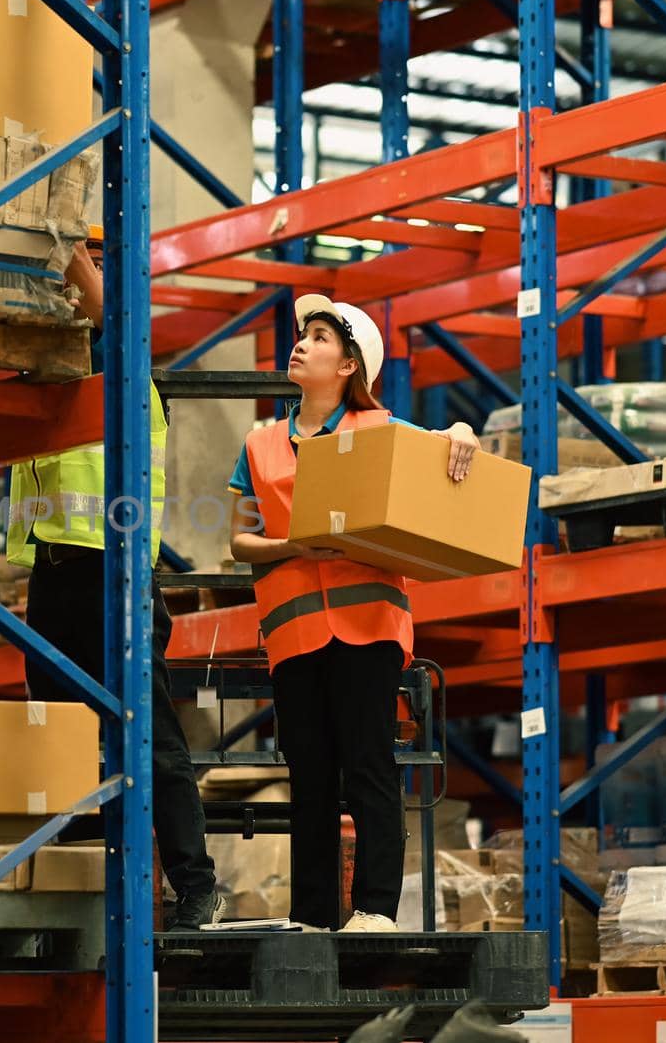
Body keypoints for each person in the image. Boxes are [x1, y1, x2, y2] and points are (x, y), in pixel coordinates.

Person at [227, 294, 478, 933]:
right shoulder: (259, 445)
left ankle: (374, 911)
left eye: (319, 337)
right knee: (310, 775)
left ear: (349, 367)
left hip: (368, 629)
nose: (301, 343)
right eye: (302, 334)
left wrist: (463, 431)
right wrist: (293, 546)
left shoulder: (379, 432)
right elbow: (239, 540)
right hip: (294, 633)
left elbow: (449, 445)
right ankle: (311, 916)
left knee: (368, 765)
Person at [4, 240, 223, 931]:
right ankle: (79, 885)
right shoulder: (50, 368)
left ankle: (196, 884)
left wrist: (61, 246)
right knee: (60, 736)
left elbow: (107, 311)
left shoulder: (123, 364)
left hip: (114, 574)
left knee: (149, 736)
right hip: (55, 576)